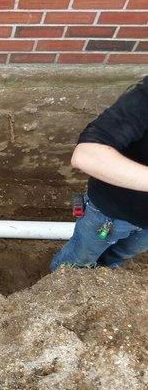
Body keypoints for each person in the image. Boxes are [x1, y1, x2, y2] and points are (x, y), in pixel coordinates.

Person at [51, 76, 148, 271]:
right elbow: (87, 155)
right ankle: (57, 287)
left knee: (119, 255)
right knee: (79, 258)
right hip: (109, 213)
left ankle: (101, 278)